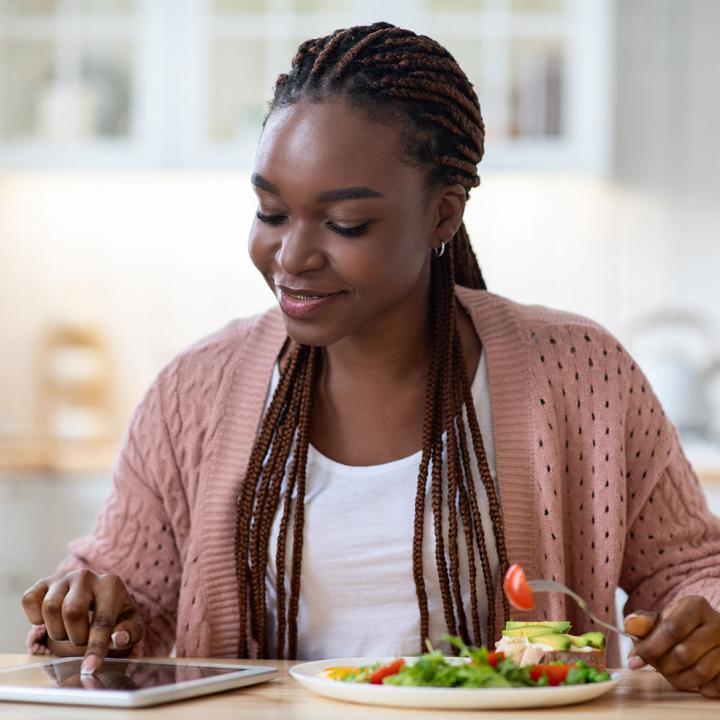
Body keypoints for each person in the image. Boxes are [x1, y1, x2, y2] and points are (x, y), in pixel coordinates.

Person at [21, 22, 720, 697]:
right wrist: (87, 617)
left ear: (443, 214)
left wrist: (703, 625)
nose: (292, 256)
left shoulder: (581, 374)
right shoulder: (195, 390)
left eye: (346, 223)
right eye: (270, 212)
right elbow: (123, 606)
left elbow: (691, 570)